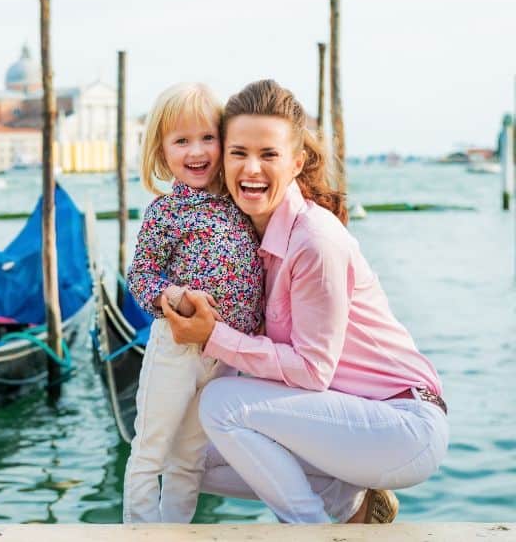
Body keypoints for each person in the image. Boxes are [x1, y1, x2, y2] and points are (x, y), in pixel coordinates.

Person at [160, 79, 449, 524]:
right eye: (238, 152)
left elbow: (313, 372)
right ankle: (351, 502)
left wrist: (213, 337)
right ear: (221, 159)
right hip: (345, 423)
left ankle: (309, 530)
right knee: (184, 452)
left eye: (268, 155)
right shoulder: (242, 241)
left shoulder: (315, 240)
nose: (251, 168)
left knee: (221, 404)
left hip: (403, 424)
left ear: (296, 163)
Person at [123, 83, 264, 523]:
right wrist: (171, 296)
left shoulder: (240, 202)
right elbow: (140, 274)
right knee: (150, 449)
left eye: (207, 137)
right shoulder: (166, 212)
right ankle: (141, 534)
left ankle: (175, 533)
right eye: (181, 141)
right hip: (177, 346)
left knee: (190, 459)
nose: (196, 150)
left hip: (224, 352)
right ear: (162, 152)